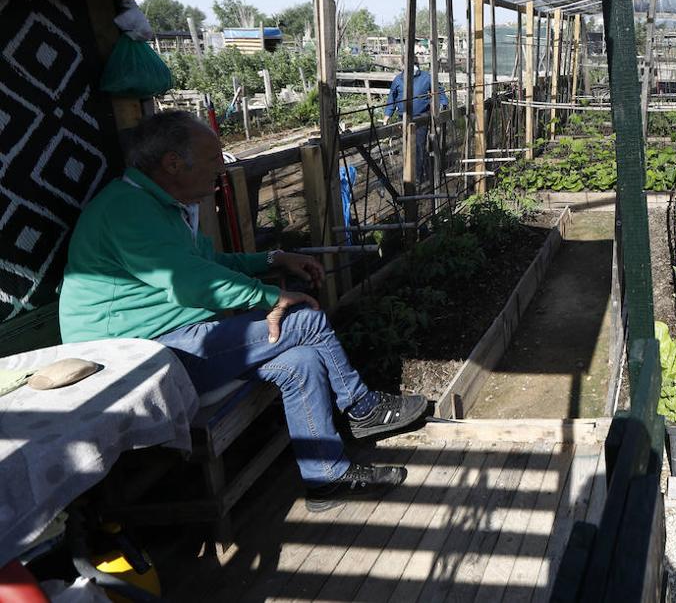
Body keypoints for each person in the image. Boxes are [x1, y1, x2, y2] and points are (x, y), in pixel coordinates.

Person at [59, 110, 426, 512]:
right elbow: (188, 282)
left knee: (300, 362)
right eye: (214, 159)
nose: (220, 169)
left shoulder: (160, 206)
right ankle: (362, 408)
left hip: (174, 342)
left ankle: (326, 479)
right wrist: (269, 297)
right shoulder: (128, 210)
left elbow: (206, 263)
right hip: (137, 360)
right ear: (173, 163)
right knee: (304, 320)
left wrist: (274, 258)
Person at [384, 63, 449, 184]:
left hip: (421, 118)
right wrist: (387, 115)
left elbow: (439, 90)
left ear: (416, 65)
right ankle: (409, 172)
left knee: (418, 145)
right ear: (403, 66)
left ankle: (417, 176)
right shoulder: (398, 79)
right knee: (407, 145)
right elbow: (391, 98)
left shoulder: (426, 77)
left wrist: (443, 104)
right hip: (403, 118)